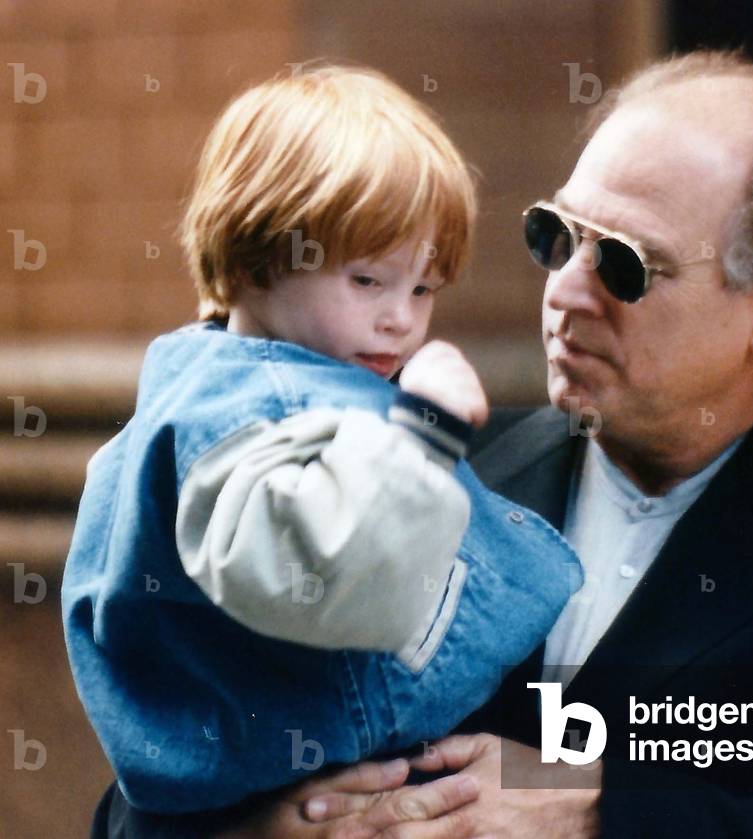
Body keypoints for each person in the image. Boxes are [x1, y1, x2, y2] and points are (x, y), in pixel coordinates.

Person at [93, 50, 753, 838]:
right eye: (555, 235)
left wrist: (599, 810)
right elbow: (147, 767)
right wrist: (259, 827)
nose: (565, 291)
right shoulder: (416, 469)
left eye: (625, 263)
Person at [62, 64, 581, 821]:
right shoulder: (246, 413)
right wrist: (423, 437)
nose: (400, 319)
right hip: (341, 755)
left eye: (424, 287)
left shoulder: (220, 380)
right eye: (368, 280)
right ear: (251, 260)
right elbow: (329, 574)